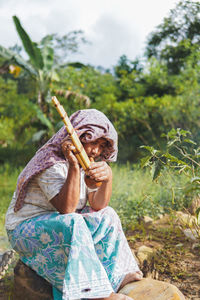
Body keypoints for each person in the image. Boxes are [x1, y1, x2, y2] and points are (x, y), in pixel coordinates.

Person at [5, 109, 143, 300]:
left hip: (61, 225)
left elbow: (98, 204)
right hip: (26, 228)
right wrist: (73, 166)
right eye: (92, 142)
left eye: (101, 145)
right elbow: (67, 209)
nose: (95, 150)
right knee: (72, 221)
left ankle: (116, 276)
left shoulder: (89, 161)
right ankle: (96, 294)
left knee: (108, 215)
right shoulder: (50, 162)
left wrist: (108, 177)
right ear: (77, 137)